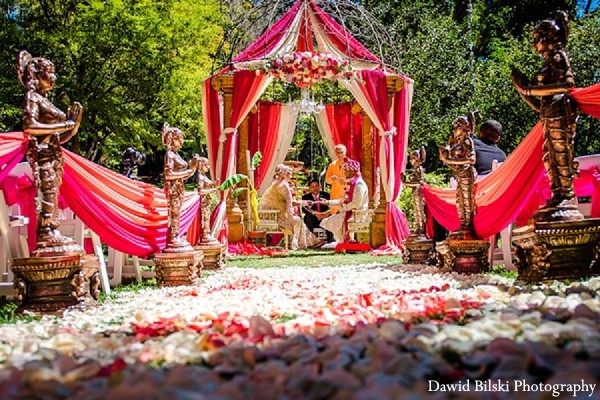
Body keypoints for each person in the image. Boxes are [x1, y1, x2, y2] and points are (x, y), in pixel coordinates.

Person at [510, 11, 580, 221]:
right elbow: (540, 105)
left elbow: (567, 85)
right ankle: (558, 191)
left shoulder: (559, 57)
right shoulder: (549, 61)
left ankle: (565, 193)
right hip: (549, 112)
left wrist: (529, 90)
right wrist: (522, 90)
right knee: (550, 156)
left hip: (560, 110)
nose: (535, 44)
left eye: (537, 39)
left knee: (560, 152)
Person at [18, 50, 83, 253]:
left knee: (53, 192)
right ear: (36, 75)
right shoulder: (33, 97)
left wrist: (73, 127)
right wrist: (65, 125)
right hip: (42, 154)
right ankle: (46, 231)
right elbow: (29, 126)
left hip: (54, 154)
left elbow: (57, 138)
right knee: (48, 192)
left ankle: (52, 228)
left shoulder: (46, 100)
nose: (54, 77)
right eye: (49, 72)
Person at [258, 164, 322, 250]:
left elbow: (289, 202)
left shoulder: (279, 183)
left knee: (298, 220)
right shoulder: (281, 185)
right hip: (275, 216)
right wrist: (301, 205)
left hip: (274, 215)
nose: (290, 175)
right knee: (297, 220)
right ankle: (305, 243)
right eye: (288, 173)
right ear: (283, 173)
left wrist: (303, 203)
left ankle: (307, 242)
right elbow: (289, 202)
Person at [162, 123, 199, 252]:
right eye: (180, 138)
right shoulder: (170, 155)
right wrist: (189, 171)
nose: (182, 141)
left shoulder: (176, 155)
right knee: (174, 212)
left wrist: (192, 170)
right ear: (173, 139)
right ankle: (173, 236)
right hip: (173, 188)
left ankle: (176, 235)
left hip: (179, 187)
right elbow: (168, 174)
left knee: (177, 212)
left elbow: (180, 175)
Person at [439, 115, 477, 239]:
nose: (454, 129)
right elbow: (454, 165)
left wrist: (450, 159)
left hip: (466, 172)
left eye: (457, 127)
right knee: (459, 200)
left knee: (466, 200)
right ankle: (463, 223)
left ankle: (468, 225)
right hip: (460, 173)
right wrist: (446, 159)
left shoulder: (467, 141)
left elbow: (471, 159)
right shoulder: (458, 143)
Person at [320, 159, 368, 243]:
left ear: (352, 171)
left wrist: (341, 210)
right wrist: (328, 202)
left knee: (331, 221)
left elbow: (356, 204)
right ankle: (344, 241)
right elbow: (342, 200)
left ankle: (344, 242)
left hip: (358, 213)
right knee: (329, 221)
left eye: (346, 170)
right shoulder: (351, 183)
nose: (344, 172)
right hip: (351, 212)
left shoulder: (358, 184)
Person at [401, 147, 427, 239]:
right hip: (415, 191)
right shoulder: (416, 169)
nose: (410, 161)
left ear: (416, 159)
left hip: (418, 191)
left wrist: (405, 182)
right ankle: (418, 228)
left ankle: (422, 230)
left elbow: (419, 182)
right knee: (417, 211)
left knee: (420, 211)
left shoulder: (419, 169)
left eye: (411, 158)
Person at [197, 157, 219, 244]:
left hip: (207, 200)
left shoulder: (204, 176)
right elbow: (201, 191)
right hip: (203, 201)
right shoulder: (200, 177)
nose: (208, 167)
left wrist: (215, 183)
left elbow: (209, 183)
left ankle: (207, 233)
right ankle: (205, 234)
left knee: (207, 217)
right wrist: (213, 190)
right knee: (205, 218)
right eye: (206, 165)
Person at [325, 144, 347, 214]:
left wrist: (345, 181)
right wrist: (332, 179)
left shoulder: (350, 164)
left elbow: (355, 179)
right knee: (335, 214)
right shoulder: (332, 165)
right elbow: (327, 180)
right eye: (338, 153)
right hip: (335, 194)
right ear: (335, 153)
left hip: (346, 193)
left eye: (341, 152)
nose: (340, 154)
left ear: (345, 152)